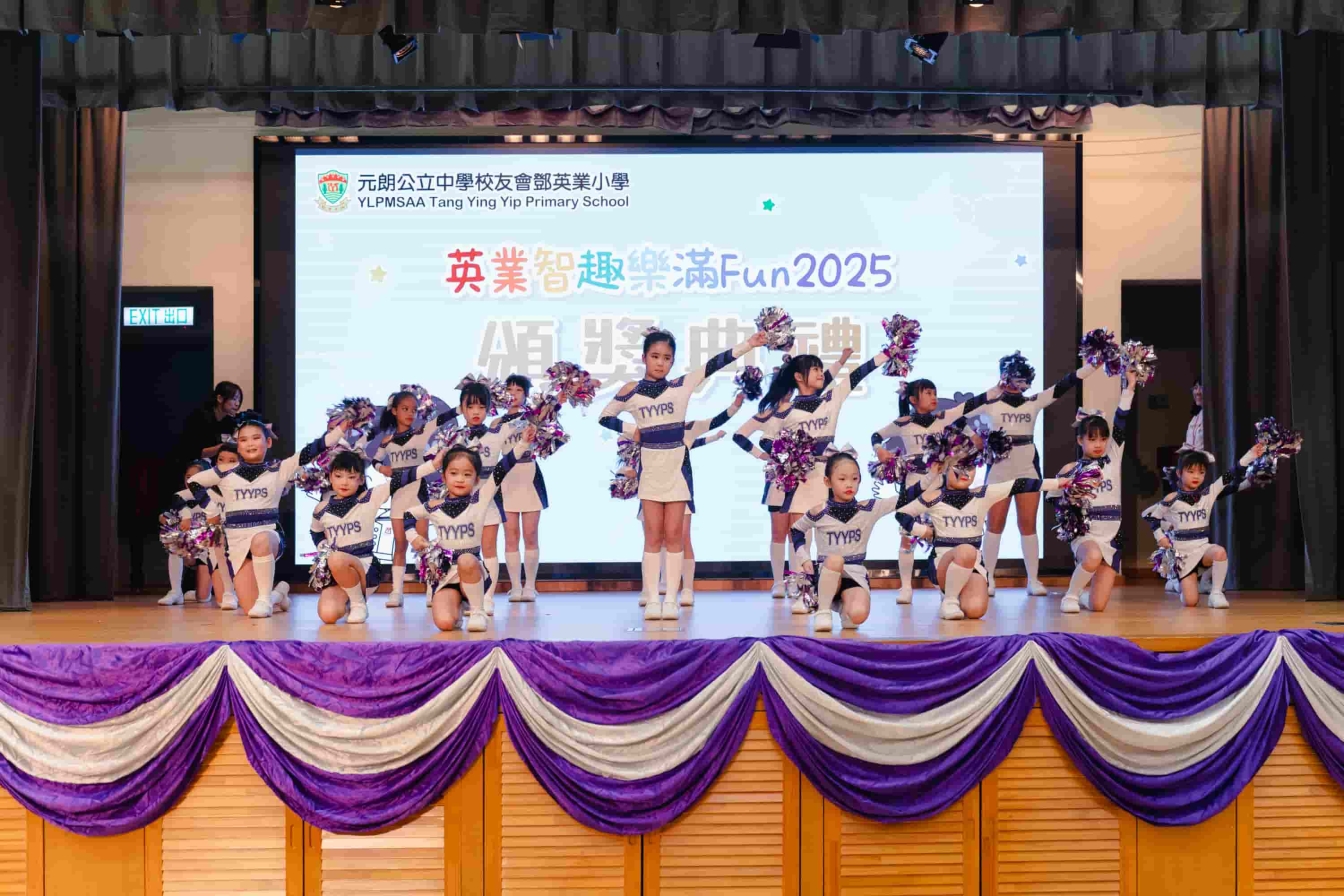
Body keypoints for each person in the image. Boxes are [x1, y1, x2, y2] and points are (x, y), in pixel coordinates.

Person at [599, 327, 769, 620]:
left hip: (676, 472)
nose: (660, 362)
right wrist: (632, 430)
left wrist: (749, 344)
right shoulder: (631, 390)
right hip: (650, 472)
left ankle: (671, 599)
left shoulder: (682, 385)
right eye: (655, 356)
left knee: (675, 536)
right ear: (644, 357)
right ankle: (653, 599)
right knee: (653, 538)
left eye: (667, 358)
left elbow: (715, 364)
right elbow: (605, 417)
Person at [188, 412, 347, 618]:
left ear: (268, 442)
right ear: (238, 445)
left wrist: (341, 430)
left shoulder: (279, 469)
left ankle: (265, 599)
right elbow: (194, 482)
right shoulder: (225, 471)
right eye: (243, 440)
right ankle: (278, 595)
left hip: (269, 536)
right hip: (237, 543)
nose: (250, 443)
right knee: (248, 608)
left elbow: (312, 450)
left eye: (256, 438)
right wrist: (211, 510)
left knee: (261, 540)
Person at [975, 353, 1100, 596]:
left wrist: (1094, 364)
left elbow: (1065, 384)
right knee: (995, 525)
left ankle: (1033, 579)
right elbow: (960, 414)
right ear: (1003, 376)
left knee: (1028, 525)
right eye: (1011, 375)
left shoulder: (1033, 401)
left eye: (1021, 376)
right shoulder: (989, 403)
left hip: (1027, 468)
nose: (1016, 381)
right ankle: (988, 578)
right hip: (998, 470)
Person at [733, 350, 853, 598]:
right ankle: (779, 581)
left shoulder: (807, 405)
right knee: (781, 531)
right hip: (781, 478)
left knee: (798, 530)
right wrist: (768, 456)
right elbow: (743, 436)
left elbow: (826, 379)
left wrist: (841, 361)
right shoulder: (772, 412)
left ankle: (799, 582)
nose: (788, 392)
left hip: (806, 477)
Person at [871, 377, 996, 603]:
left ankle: (945, 585)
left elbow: (966, 411)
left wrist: (974, 434)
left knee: (943, 535)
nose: (934, 397)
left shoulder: (943, 417)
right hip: (914, 485)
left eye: (935, 393)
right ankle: (906, 587)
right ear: (912, 399)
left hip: (939, 485)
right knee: (907, 537)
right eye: (928, 393)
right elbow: (876, 436)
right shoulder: (903, 422)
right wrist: (879, 449)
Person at [898, 460, 1072, 621]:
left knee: (975, 610)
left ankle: (956, 594)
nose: (965, 473)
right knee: (966, 550)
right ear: (945, 468)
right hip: (943, 563)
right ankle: (949, 600)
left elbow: (1018, 485)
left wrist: (1058, 483)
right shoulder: (933, 496)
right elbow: (901, 511)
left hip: (973, 564)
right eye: (958, 467)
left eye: (970, 467)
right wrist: (924, 530)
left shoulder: (982, 494)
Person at [407, 428, 535, 632]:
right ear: (444, 476)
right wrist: (413, 536)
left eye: (467, 474)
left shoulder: (480, 499)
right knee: (445, 624)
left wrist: (523, 444)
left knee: (466, 559)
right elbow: (408, 516)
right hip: (446, 575)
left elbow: (501, 469)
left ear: (476, 479)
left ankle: (477, 610)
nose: (460, 479)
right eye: (453, 473)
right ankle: (458, 607)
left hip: (472, 570)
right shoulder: (433, 506)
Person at [624, 396, 745, 608]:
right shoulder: (645, 427)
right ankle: (649, 589)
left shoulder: (689, 427)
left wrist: (735, 407)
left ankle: (687, 588)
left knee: (682, 538)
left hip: (679, 490)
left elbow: (715, 421)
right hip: (651, 490)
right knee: (652, 539)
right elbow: (625, 451)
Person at [1048, 370, 1137, 614]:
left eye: (1103, 439)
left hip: (1113, 535)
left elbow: (1121, 420)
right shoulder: (1070, 469)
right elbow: (1053, 502)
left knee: (1098, 606)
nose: (1098, 444)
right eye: (1092, 439)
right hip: (1086, 534)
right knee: (1092, 556)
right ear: (1080, 441)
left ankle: (1084, 597)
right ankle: (1070, 595)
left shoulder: (1113, 458)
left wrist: (1129, 388)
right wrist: (1069, 498)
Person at [789, 453, 905, 633]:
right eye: (842, 479)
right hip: (827, 571)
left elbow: (903, 498)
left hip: (854, 573)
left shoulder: (869, 508)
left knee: (857, 616)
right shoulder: (819, 512)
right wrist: (804, 558)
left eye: (854, 479)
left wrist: (932, 476)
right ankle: (823, 611)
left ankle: (846, 609)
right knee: (835, 560)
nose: (849, 484)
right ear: (828, 482)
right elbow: (796, 530)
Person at [1141, 443, 1265, 609]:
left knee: (1219, 552)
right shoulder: (1172, 498)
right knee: (1190, 602)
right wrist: (1160, 536)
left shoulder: (1208, 493)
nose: (1196, 476)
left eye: (1201, 472)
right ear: (1179, 473)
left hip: (1202, 549)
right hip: (1183, 555)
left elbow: (1230, 474)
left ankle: (1216, 594)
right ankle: (1181, 583)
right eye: (1191, 471)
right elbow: (1151, 517)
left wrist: (1251, 454)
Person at [310, 450, 421, 625]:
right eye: (338, 476)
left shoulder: (369, 498)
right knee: (328, 615)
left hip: (365, 567)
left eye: (351, 477)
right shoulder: (321, 508)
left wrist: (435, 464)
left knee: (337, 558)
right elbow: (315, 532)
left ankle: (358, 604)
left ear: (361, 479)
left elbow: (403, 478)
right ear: (330, 477)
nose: (344, 482)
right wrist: (323, 547)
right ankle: (349, 603)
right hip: (338, 571)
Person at [372, 389, 458, 608]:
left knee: (424, 545)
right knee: (400, 545)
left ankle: (431, 590)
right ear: (394, 411)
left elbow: (441, 419)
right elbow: (375, 461)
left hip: (419, 496)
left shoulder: (421, 433)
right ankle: (397, 592)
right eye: (404, 409)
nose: (410, 413)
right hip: (398, 497)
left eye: (413, 410)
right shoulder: (388, 441)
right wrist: (382, 468)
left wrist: (461, 408)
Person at [498, 374, 549, 604]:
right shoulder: (496, 423)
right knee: (510, 535)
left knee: (531, 534)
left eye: (518, 390)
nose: (513, 394)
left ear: (526, 394)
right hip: (506, 478)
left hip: (529, 476)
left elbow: (553, 406)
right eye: (509, 390)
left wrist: (570, 388)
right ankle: (515, 587)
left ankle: (530, 586)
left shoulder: (533, 417)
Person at [159, 459, 216, 606]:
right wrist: (175, 521)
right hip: (190, 547)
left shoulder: (214, 496)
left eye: (196, 477)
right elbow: (165, 517)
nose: (190, 480)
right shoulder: (180, 496)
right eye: (188, 476)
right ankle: (176, 591)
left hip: (210, 548)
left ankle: (200, 592)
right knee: (175, 541)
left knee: (203, 598)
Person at [178, 381, 243, 464]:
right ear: (220, 398)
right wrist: (222, 447)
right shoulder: (200, 418)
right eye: (234, 399)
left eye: (239, 400)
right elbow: (193, 452)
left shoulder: (229, 422)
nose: (237, 404)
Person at [1182, 377, 1205, 453]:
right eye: (1195, 388)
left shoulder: (1214, 417)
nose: (1198, 392)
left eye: (1201, 387)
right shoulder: (1194, 419)